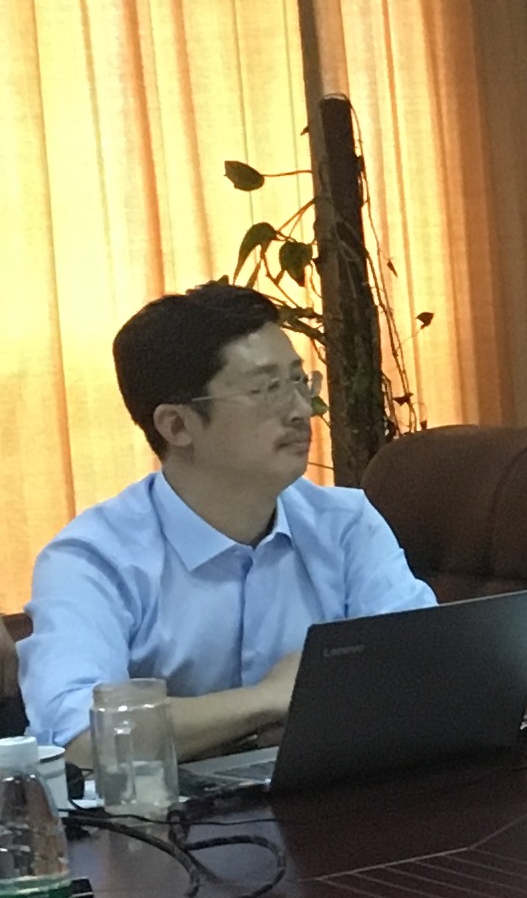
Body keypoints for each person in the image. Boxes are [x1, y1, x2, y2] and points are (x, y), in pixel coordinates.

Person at [22, 283, 434, 765]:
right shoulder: (93, 560)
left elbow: (424, 668)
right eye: (268, 389)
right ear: (177, 426)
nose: (302, 410)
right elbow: (80, 738)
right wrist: (268, 700)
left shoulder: (344, 524)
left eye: (299, 382)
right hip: (166, 812)